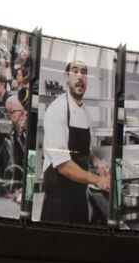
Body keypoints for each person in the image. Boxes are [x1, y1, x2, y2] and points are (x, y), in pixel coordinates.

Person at [39, 60, 110, 224]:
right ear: (66, 76)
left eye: (84, 72)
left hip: (79, 198)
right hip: (58, 203)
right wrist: (97, 180)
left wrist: (96, 161)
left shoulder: (85, 113)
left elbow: (84, 150)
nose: (80, 76)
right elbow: (63, 165)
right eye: (75, 71)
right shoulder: (57, 110)